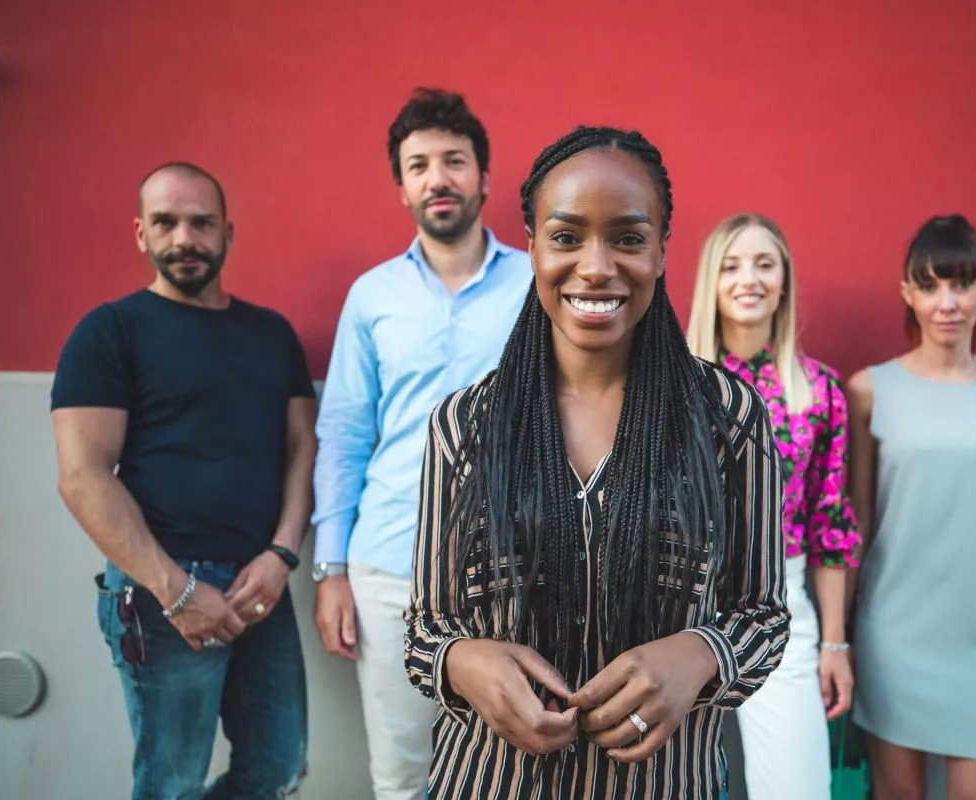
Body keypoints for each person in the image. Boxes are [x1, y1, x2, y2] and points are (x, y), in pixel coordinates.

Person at [403, 126, 790, 799]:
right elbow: (425, 629)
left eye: (628, 239)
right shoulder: (464, 425)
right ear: (531, 247)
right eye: (567, 236)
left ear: (663, 251)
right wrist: (465, 662)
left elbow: (762, 612)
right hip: (489, 782)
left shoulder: (730, 419)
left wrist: (698, 655)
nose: (596, 266)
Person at [51, 162, 316, 798]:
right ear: (141, 234)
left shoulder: (271, 334)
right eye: (166, 223)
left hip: (261, 586)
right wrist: (175, 590)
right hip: (159, 592)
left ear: (228, 232)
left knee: (277, 768)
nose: (184, 239)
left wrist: (282, 554)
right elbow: (82, 477)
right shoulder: (108, 332)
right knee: (173, 783)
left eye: (201, 223)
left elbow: (303, 446)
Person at [310, 87, 531, 800]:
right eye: (420, 165)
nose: (438, 178)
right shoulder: (372, 296)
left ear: (484, 178)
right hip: (389, 569)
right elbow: (343, 432)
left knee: (514, 763)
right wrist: (332, 569)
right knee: (405, 774)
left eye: (454, 161)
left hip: (518, 568)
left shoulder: (537, 284)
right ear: (401, 185)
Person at [847, 214, 976, 800]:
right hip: (894, 634)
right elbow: (858, 521)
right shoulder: (869, 389)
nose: (947, 303)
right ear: (907, 293)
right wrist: (837, 640)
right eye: (931, 285)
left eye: (961, 284)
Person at [686, 212, 860, 800]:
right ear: (711, 281)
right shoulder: (671, 386)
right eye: (732, 266)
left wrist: (834, 644)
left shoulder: (818, 391)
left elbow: (830, 525)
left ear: (784, 280)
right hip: (675, 604)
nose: (748, 279)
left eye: (764, 264)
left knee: (798, 789)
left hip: (778, 603)